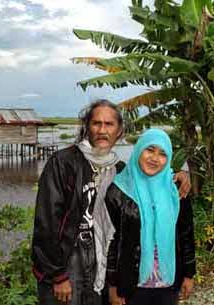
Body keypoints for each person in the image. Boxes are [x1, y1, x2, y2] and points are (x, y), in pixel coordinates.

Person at [31, 100, 191, 305]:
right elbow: (46, 223)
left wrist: (177, 175)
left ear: (119, 131)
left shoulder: (121, 171)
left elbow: (151, 182)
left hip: (102, 267)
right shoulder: (63, 163)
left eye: (109, 124)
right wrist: (58, 275)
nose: (102, 130)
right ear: (87, 127)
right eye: (96, 123)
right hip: (68, 263)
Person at [105, 129, 196, 305]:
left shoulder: (176, 189)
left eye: (163, 154)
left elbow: (186, 235)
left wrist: (188, 274)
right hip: (131, 285)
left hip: (168, 284)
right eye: (150, 150)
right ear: (139, 149)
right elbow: (112, 240)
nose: (155, 158)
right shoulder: (118, 190)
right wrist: (112, 285)